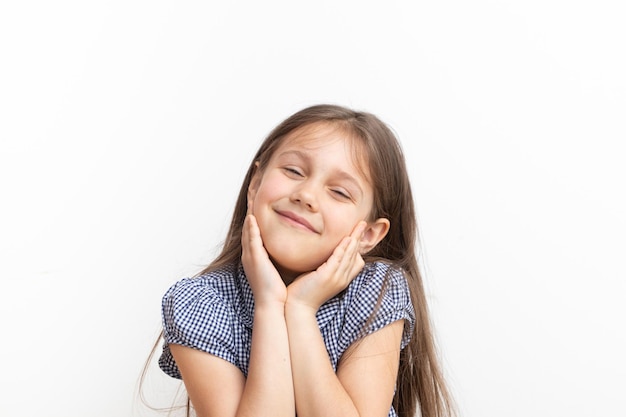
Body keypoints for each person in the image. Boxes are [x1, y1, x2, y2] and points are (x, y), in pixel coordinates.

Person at [154, 104, 455, 417]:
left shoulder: (377, 289)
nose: (306, 195)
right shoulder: (200, 302)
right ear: (255, 184)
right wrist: (270, 305)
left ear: (368, 234)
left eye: (339, 192)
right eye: (294, 171)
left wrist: (300, 310)